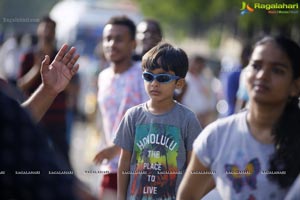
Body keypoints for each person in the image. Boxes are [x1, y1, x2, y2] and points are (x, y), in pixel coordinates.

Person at [177, 36, 300, 199]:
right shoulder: (217, 136)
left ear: (295, 86)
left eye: (277, 70)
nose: (262, 75)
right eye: (256, 66)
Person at [105, 42, 200, 199]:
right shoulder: (133, 116)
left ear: (179, 83)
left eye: (163, 78)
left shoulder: (187, 119)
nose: (154, 83)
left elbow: (194, 168)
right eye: (148, 77)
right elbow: (124, 163)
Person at [94, 15, 148, 199]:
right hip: (111, 167)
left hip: (141, 170)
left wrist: (116, 148)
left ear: (133, 44)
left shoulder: (144, 76)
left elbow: (152, 119)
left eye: (119, 39)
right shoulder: (103, 77)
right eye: (108, 39)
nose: (111, 44)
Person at [17, 16, 73, 168]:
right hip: (34, 117)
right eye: (45, 28)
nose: (48, 32)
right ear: (38, 30)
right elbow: (20, 86)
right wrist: (37, 69)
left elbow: (74, 89)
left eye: (51, 29)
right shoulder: (28, 56)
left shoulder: (62, 57)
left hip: (57, 119)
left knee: (62, 162)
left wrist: (60, 81)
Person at [180, 54, 218, 127]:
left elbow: (211, 97)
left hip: (205, 120)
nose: (198, 66)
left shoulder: (205, 79)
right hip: (190, 120)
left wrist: (208, 112)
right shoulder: (184, 80)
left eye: (201, 64)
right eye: (196, 63)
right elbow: (183, 101)